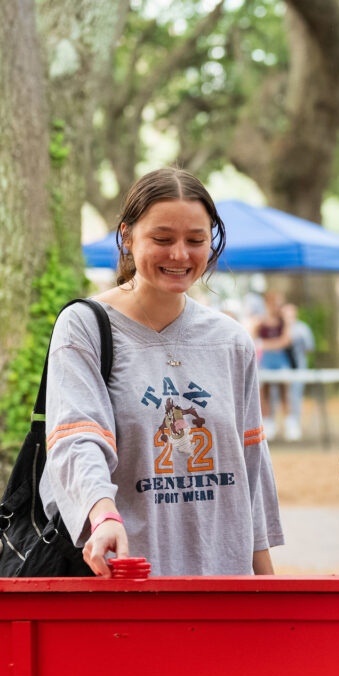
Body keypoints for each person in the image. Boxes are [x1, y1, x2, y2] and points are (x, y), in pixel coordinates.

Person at [41, 167, 285, 576]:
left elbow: (250, 469)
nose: (179, 255)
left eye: (195, 240)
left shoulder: (230, 340)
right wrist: (102, 514)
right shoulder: (85, 327)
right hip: (126, 580)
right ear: (127, 236)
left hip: (224, 587)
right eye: (162, 239)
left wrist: (265, 587)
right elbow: (77, 438)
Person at [254, 290, 294, 441]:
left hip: (281, 361)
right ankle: (269, 423)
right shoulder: (260, 322)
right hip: (266, 361)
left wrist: (266, 344)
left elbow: (286, 340)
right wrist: (273, 345)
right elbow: (254, 341)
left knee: (285, 391)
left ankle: (290, 423)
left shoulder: (284, 322)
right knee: (266, 392)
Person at [280, 302, 315, 441]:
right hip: (282, 368)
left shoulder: (302, 328)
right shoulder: (280, 328)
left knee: (295, 396)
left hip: (299, 367)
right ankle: (281, 423)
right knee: (278, 395)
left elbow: (309, 347)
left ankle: (294, 424)